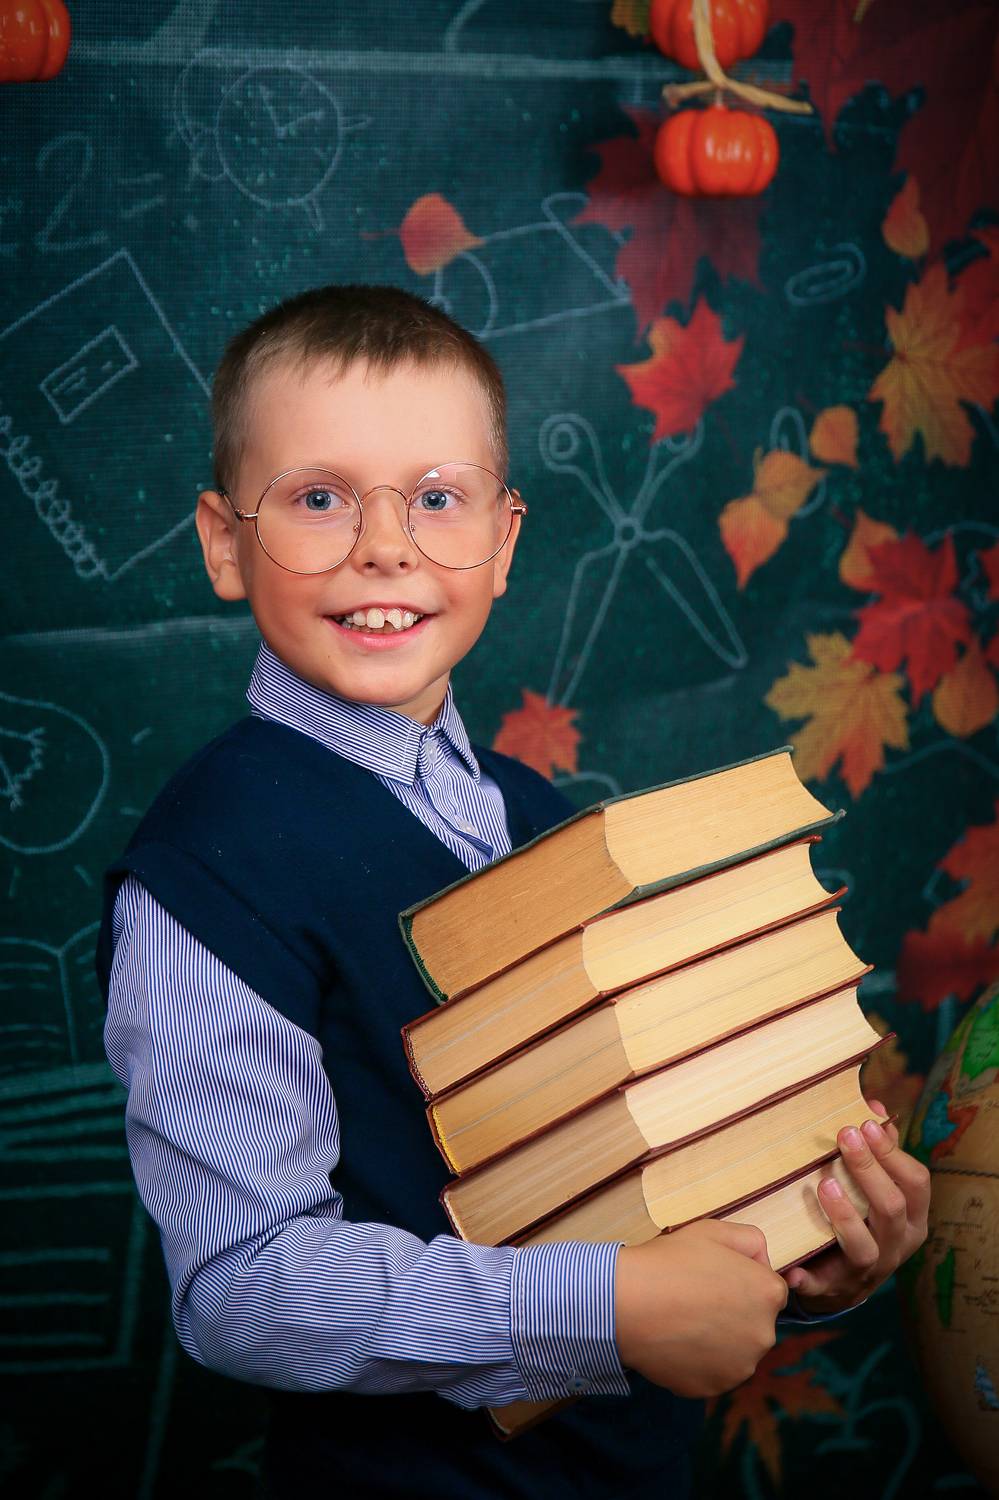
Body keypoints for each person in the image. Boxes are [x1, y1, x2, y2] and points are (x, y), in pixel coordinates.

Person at [97, 285, 929, 1499]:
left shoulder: (545, 820)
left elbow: (642, 1187)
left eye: (438, 498)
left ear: (503, 541)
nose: (386, 546)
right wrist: (610, 1304)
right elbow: (246, 1289)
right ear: (225, 543)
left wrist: (808, 1256)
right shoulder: (207, 871)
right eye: (319, 498)